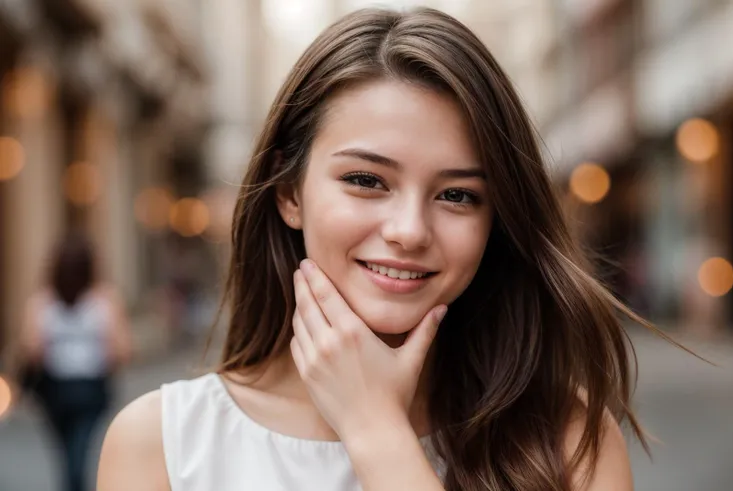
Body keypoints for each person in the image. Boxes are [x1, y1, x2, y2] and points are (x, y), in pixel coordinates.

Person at [98, 7, 649, 490]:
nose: (410, 230)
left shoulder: (566, 438)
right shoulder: (163, 447)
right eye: (366, 180)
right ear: (289, 191)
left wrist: (374, 430)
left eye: (457, 194)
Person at [20, 233, 132, 491]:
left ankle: (72, 483)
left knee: (69, 451)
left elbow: (32, 349)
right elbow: (123, 350)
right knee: (75, 450)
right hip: (88, 387)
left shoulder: (42, 302)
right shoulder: (105, 300)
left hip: (57, 389)